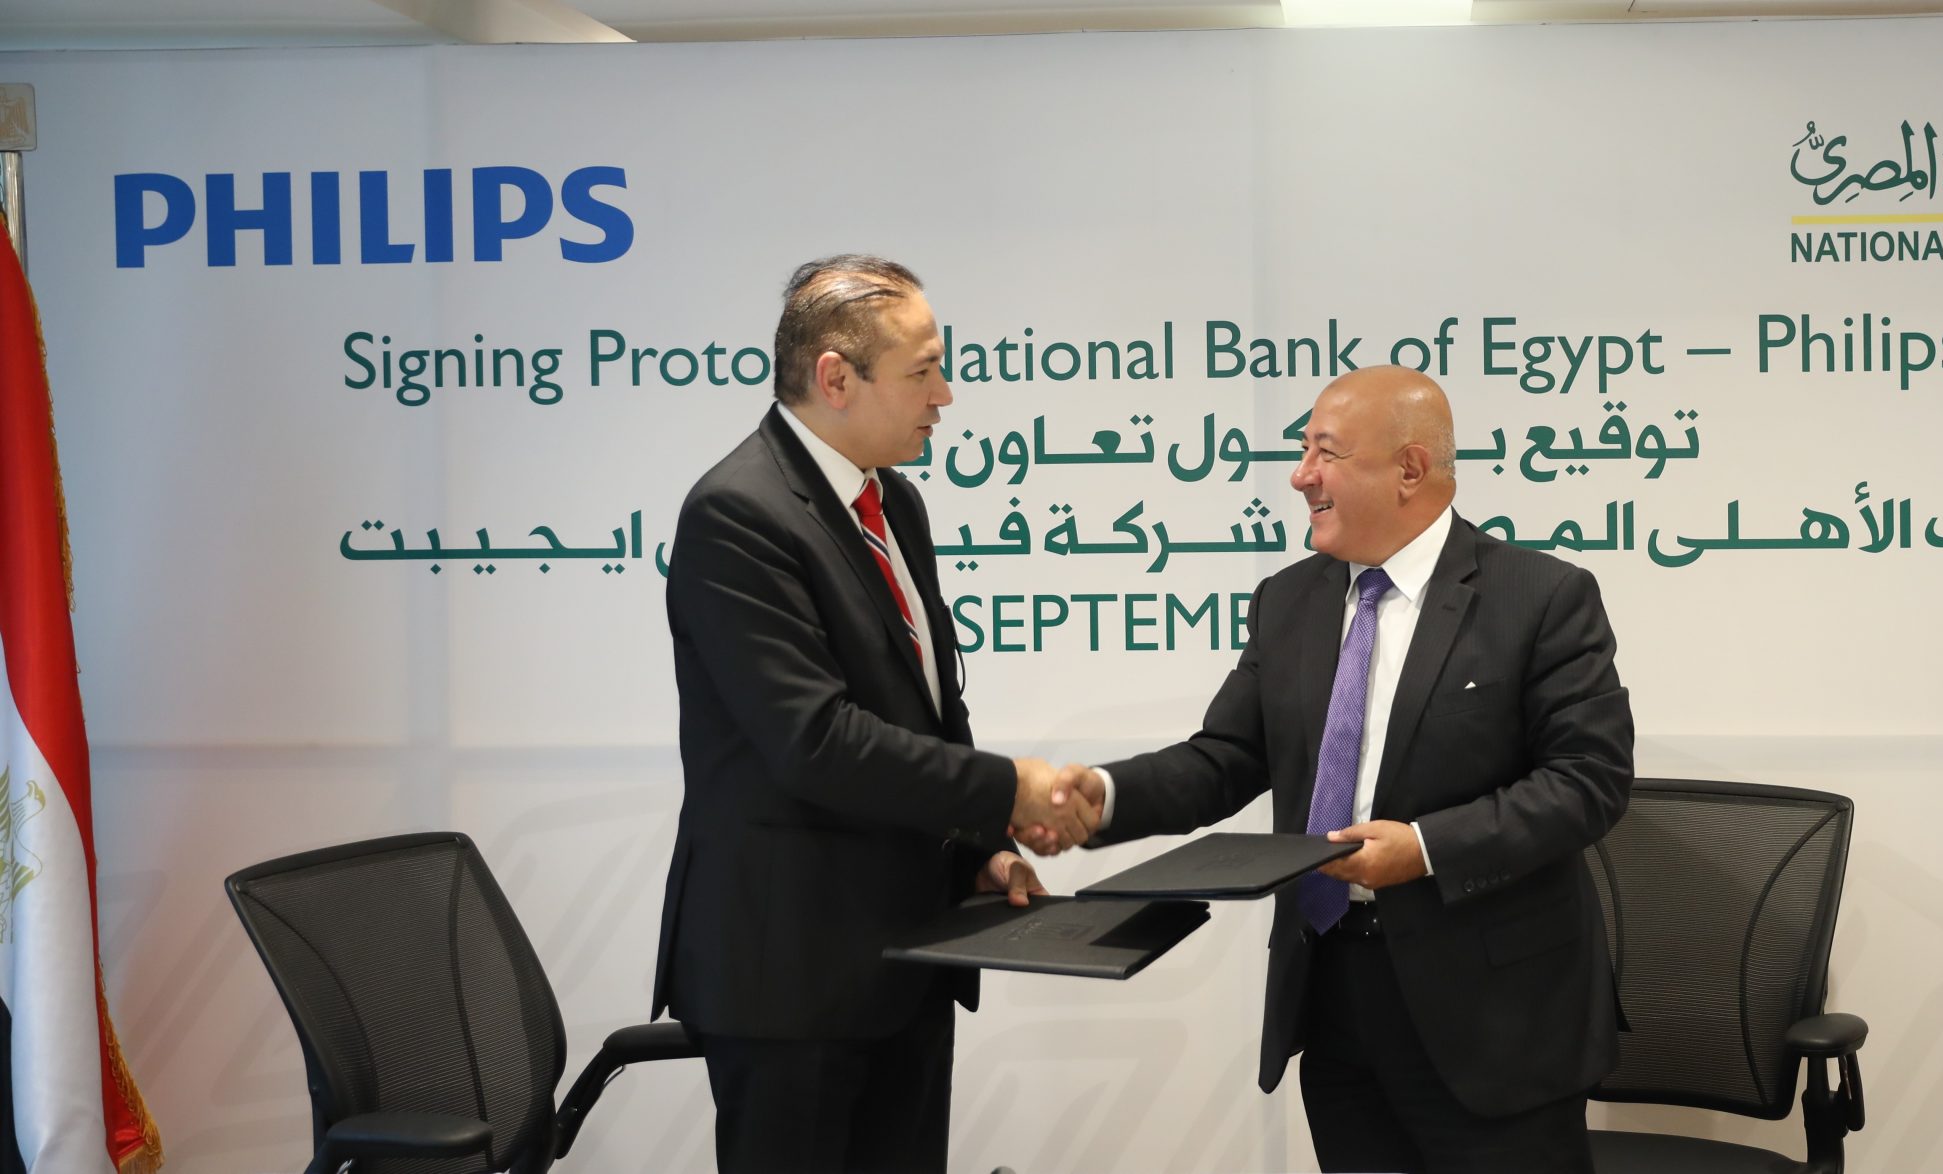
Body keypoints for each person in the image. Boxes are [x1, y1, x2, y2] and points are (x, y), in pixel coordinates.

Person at [1050, 365, 1635, 1172]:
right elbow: (1226, 758)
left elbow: (1587, 780)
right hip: (1334, 995)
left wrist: (1423, 848)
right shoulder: (1288, 600)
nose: (1301, 476)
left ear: (1409, 469)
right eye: (1303, 452)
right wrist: (1104, 797)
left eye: (1324, 453)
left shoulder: (1540, 597)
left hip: (1494, 1016)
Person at [652, 254, 1093, 1173]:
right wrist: (1010, 787)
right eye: (923, 370)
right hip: (791, 980)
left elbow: (929, 708)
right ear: (835, 377)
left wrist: (980, 850)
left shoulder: (893, 500)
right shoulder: (738, 515)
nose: (946, 396)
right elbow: (816, 742)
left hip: (908, 962)